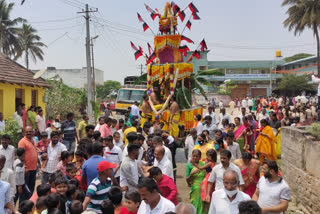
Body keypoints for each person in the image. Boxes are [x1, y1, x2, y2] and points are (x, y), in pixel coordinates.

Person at [18, 126, 38, 195]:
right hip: (26, 170)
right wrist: (25, 167)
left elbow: (35, 152)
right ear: (24, 133)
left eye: (30, 131)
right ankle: (24, 204)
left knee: (31, 187)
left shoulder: (34, 140)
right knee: (25, 190)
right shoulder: (22, 142)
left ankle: (30, 202)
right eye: (27, 132)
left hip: (34, 168)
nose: (29, 133)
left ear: (33, 132)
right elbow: (20, 156)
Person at [186, 149, 206, 214]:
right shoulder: (189, 165)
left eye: (197, 156)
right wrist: (192, 174)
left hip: (204, 189)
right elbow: (187, 180)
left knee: (203, 206)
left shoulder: (203, 164)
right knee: (195, 205)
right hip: (195, 189)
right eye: (193, 156)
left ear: (200, 157)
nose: (195, 157)